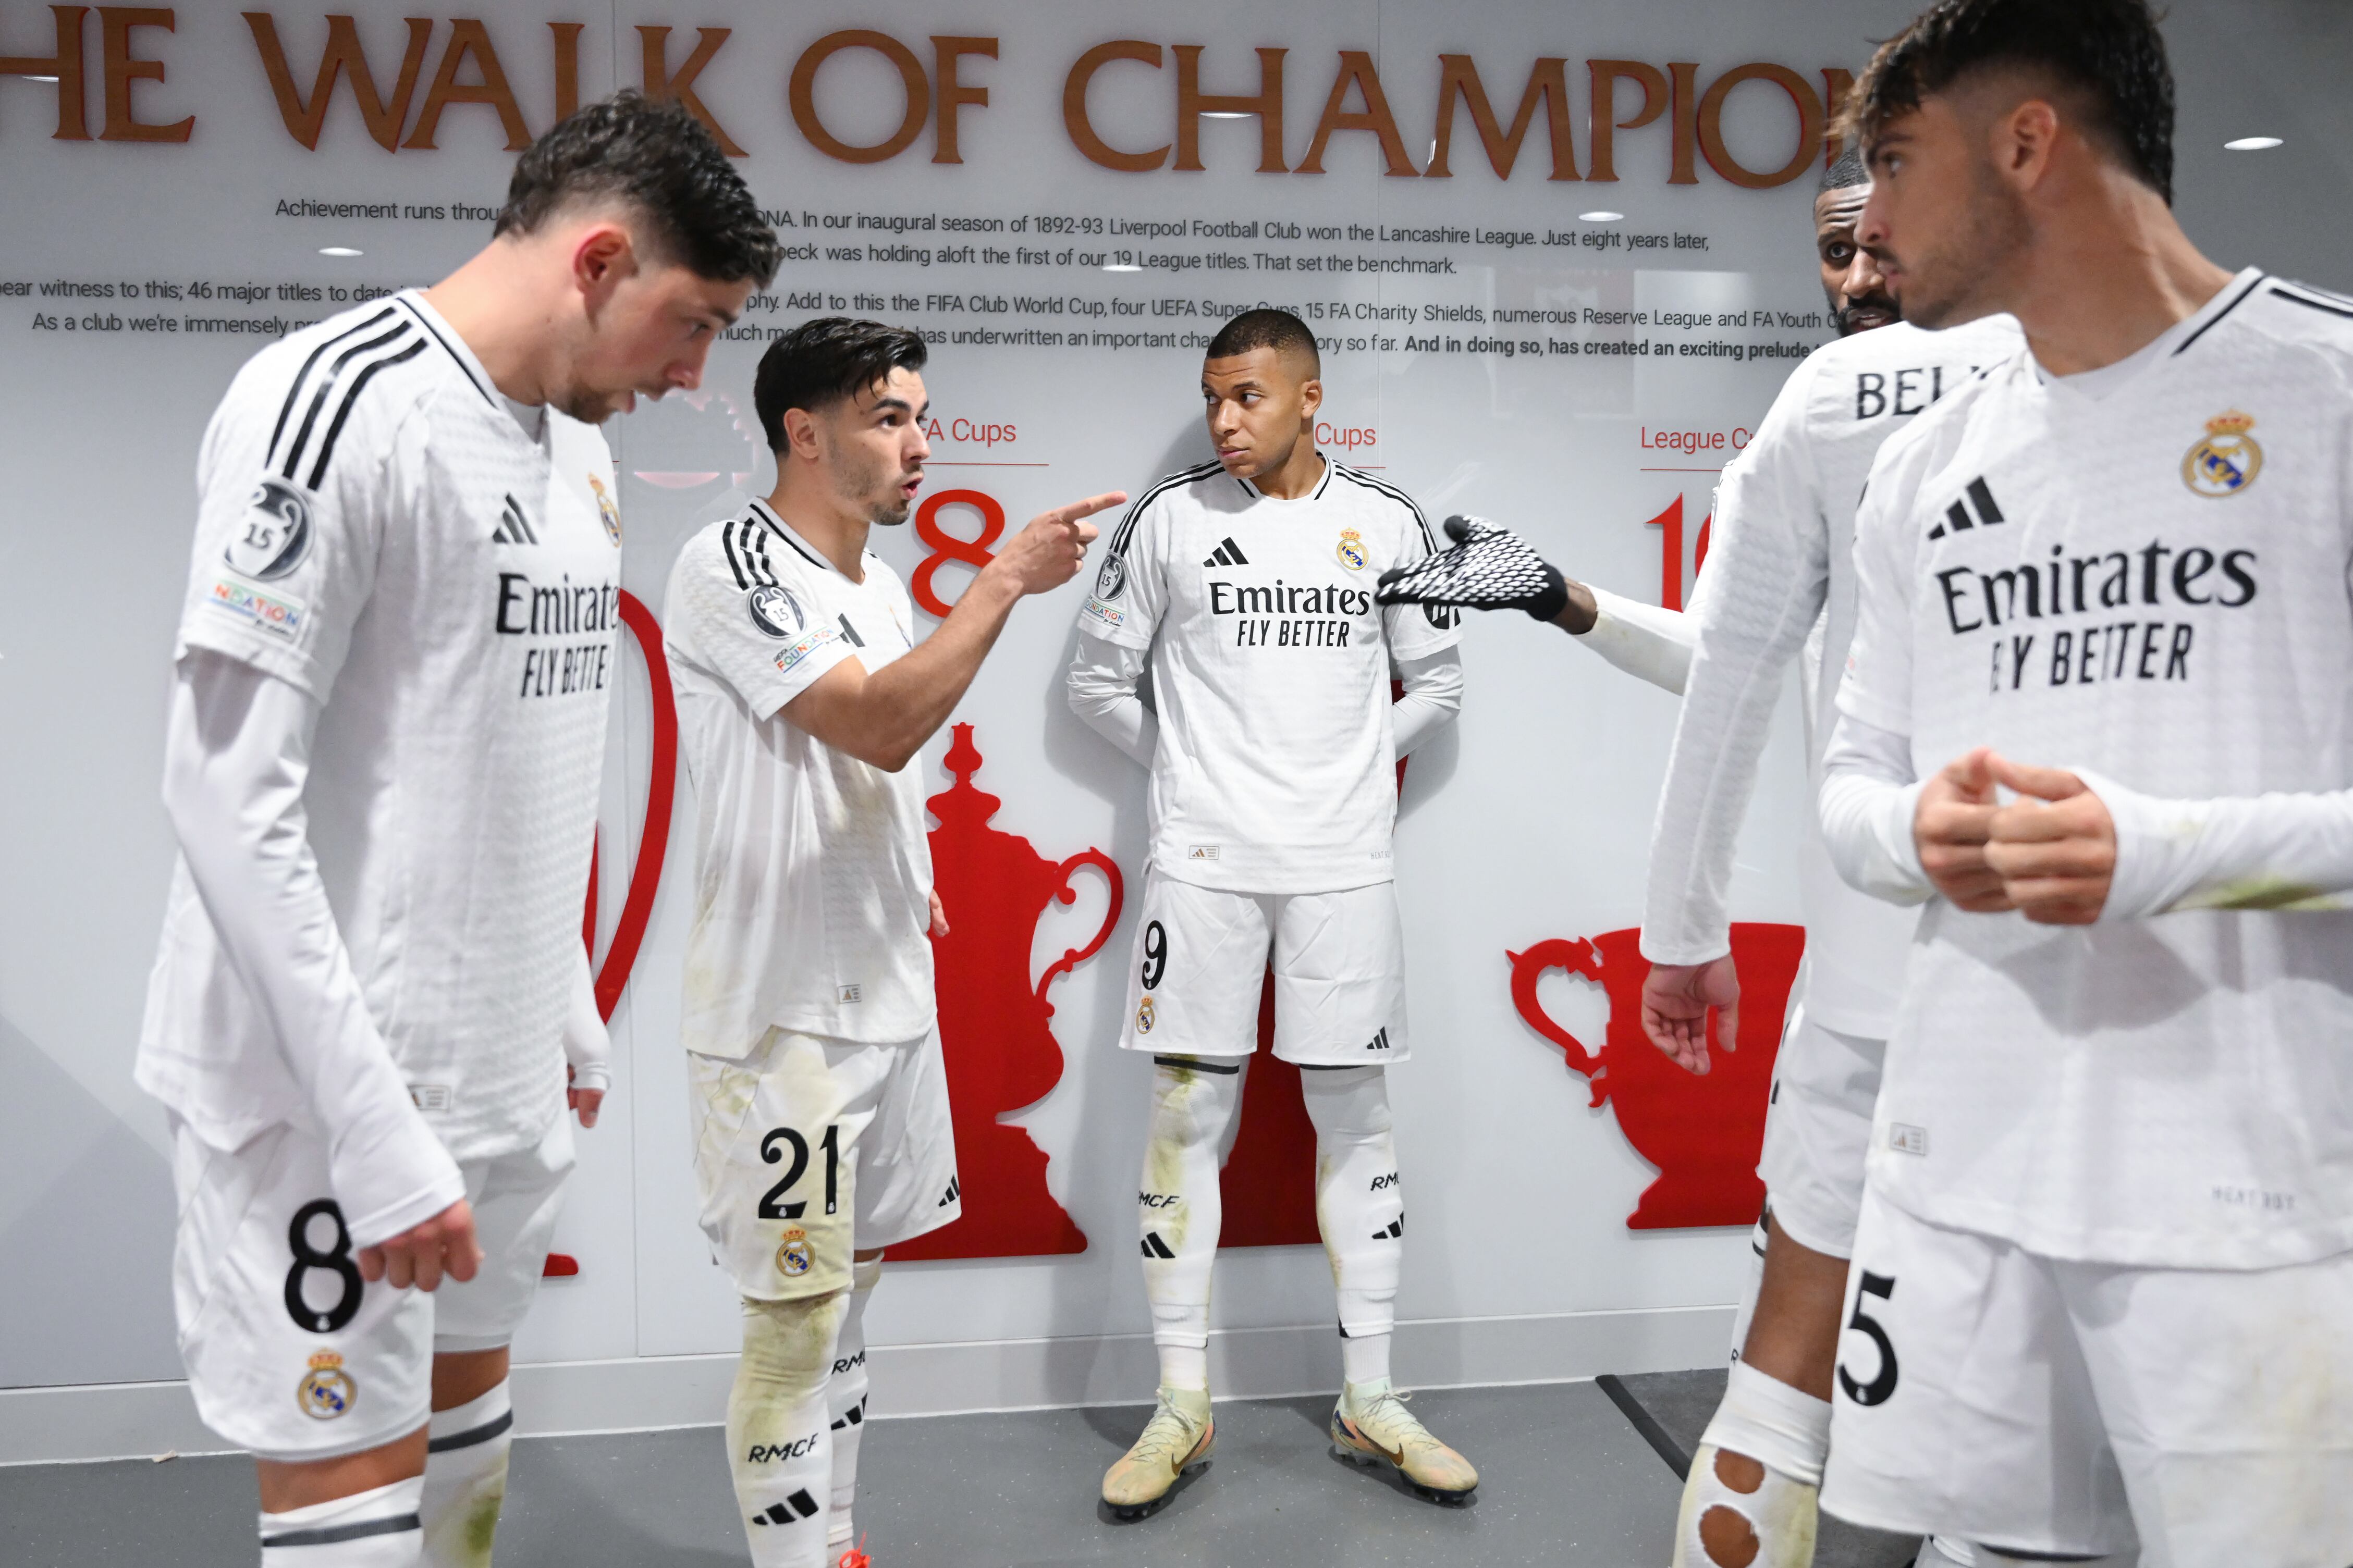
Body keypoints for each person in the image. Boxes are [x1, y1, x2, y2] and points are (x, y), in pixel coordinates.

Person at [139, 94, 775, 1568]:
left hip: (495, 1081)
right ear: (600, 259)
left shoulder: (580, 450)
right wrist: (370, 1135)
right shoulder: (337, 403)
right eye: (690, 325)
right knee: (351, 1504)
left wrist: (560, 1010)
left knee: (464, 1465)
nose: (693, 377)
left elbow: (509, 748)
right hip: (322, 1115)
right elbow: (223, 793)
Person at [1379, 150, 2018, 1567]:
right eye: (1829, 257)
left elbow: (1744, 676)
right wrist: (1566, 600)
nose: (1852, 283)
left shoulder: (1840, 412)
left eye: (1875, 248)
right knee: (1906, 1362)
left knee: (1841, 1350)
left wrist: (1682, 924)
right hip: (1935, 968)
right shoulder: (1885, 407)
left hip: (1989, 966)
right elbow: (1752, 667)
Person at [1819, 2, 2353, 1562]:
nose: (1872, 217)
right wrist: (1915, 835)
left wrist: (2167, 853)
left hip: (2251, 1211)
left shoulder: (2328, 394)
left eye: (1896, 163)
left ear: (2028, 145)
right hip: (1958, 1175)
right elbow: (1852, 783)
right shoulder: (1923, 463)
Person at [660, 318, 1121, 1568]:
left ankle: (839, 1543)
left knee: (851, 1298)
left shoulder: (878, 580)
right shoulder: (726, 562)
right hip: (783, 1018)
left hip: (886, 1001)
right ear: (803, 434)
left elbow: (871, 771)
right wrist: (1003, 583)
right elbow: (874, 724)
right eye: (890, 418)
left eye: (922, 414)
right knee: (792, 1320)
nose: (923, 442)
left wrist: (907, 879)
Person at [1067, 308, 1469, 1520]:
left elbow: (1437, 679)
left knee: (1354, 1111)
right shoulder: (1172, 518)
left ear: (1310, 397)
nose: (1225, 420)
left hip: (1343, 864)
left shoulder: (1386, 519)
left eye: (1247, 396)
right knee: (1189, 1108)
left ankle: (1371, 1395)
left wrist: (1353, 767)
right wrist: (1192, 773)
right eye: (1211, 398)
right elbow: (1095, 678)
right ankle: (1180, 1402)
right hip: (1201, 864)